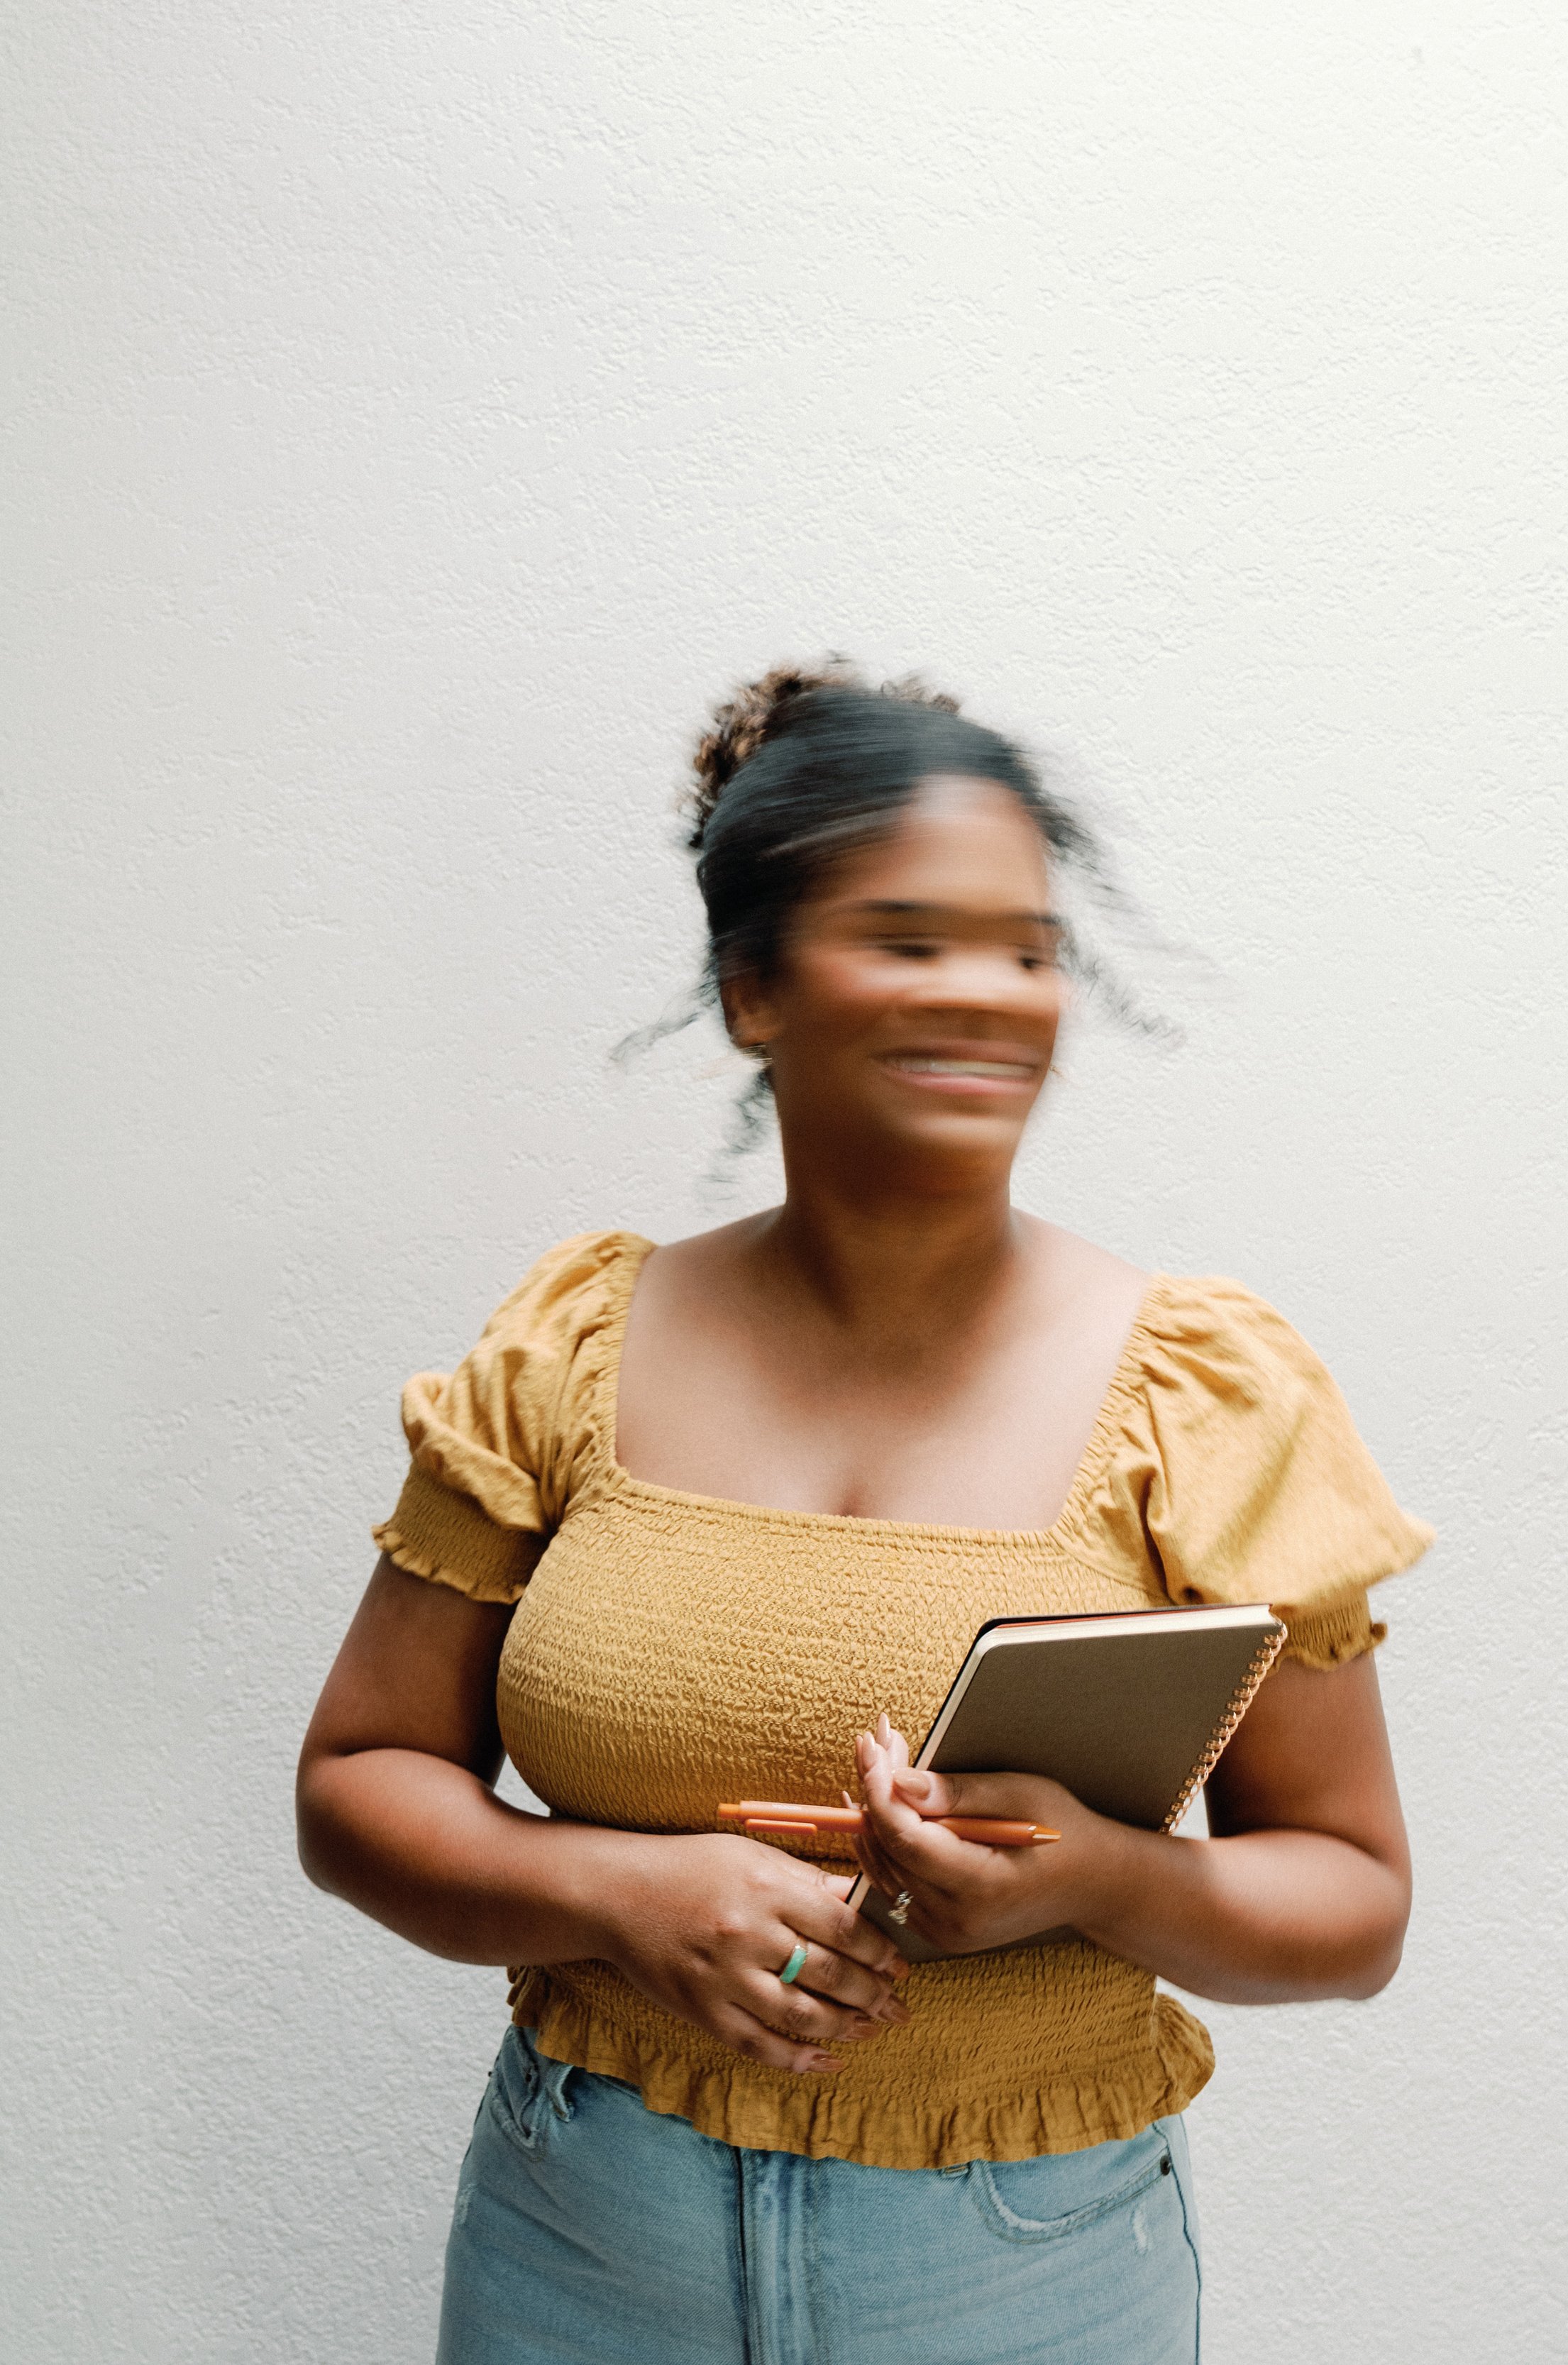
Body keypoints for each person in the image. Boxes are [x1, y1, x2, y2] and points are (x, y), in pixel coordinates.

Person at [296, 665, 1432, 2364]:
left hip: (1023, 2266)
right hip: (579, 2241)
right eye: (906, 937)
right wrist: (620, 1892)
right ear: (754, 987)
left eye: (1026, 946)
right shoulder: (569, 1350)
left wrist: (1093, 1876)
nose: (984, 993)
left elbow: (1350, 1902)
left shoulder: (1209, 1389)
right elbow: (355, 1785)